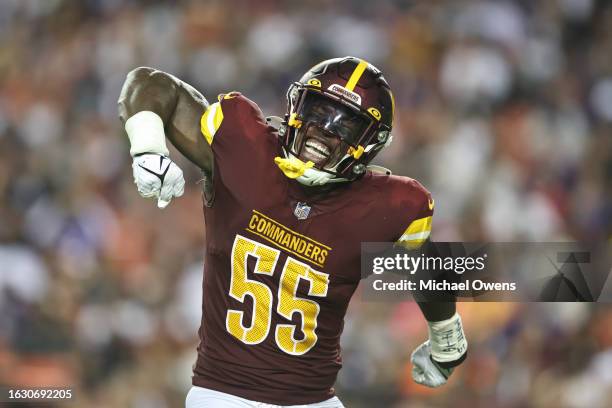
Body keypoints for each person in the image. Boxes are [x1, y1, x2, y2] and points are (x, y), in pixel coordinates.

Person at [118, 56, 467, 408]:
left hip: (314, 401)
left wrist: (446, 332)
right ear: (296, 105)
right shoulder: (245, 148)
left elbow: (424, 261)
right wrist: (147, 148)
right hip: (224, 395)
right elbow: (150, 83)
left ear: (369, 143)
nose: (324, 129)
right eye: (318, 111)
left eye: (345, 125)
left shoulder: (389, 205)